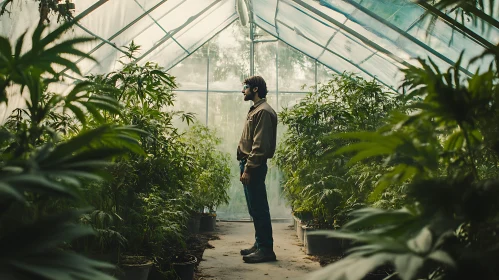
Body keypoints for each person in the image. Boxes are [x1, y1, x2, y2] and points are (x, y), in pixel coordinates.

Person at [237, 76, 278, 263]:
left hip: (253, 165)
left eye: (245, 87)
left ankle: (266, 250)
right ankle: (260, 243)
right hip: (248, 164)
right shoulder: (256, 110)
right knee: (254, 208)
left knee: (259, 208)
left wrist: (249, 168)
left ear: (255, 89)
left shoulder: (263, 111)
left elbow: (260, 145)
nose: (243, 90)